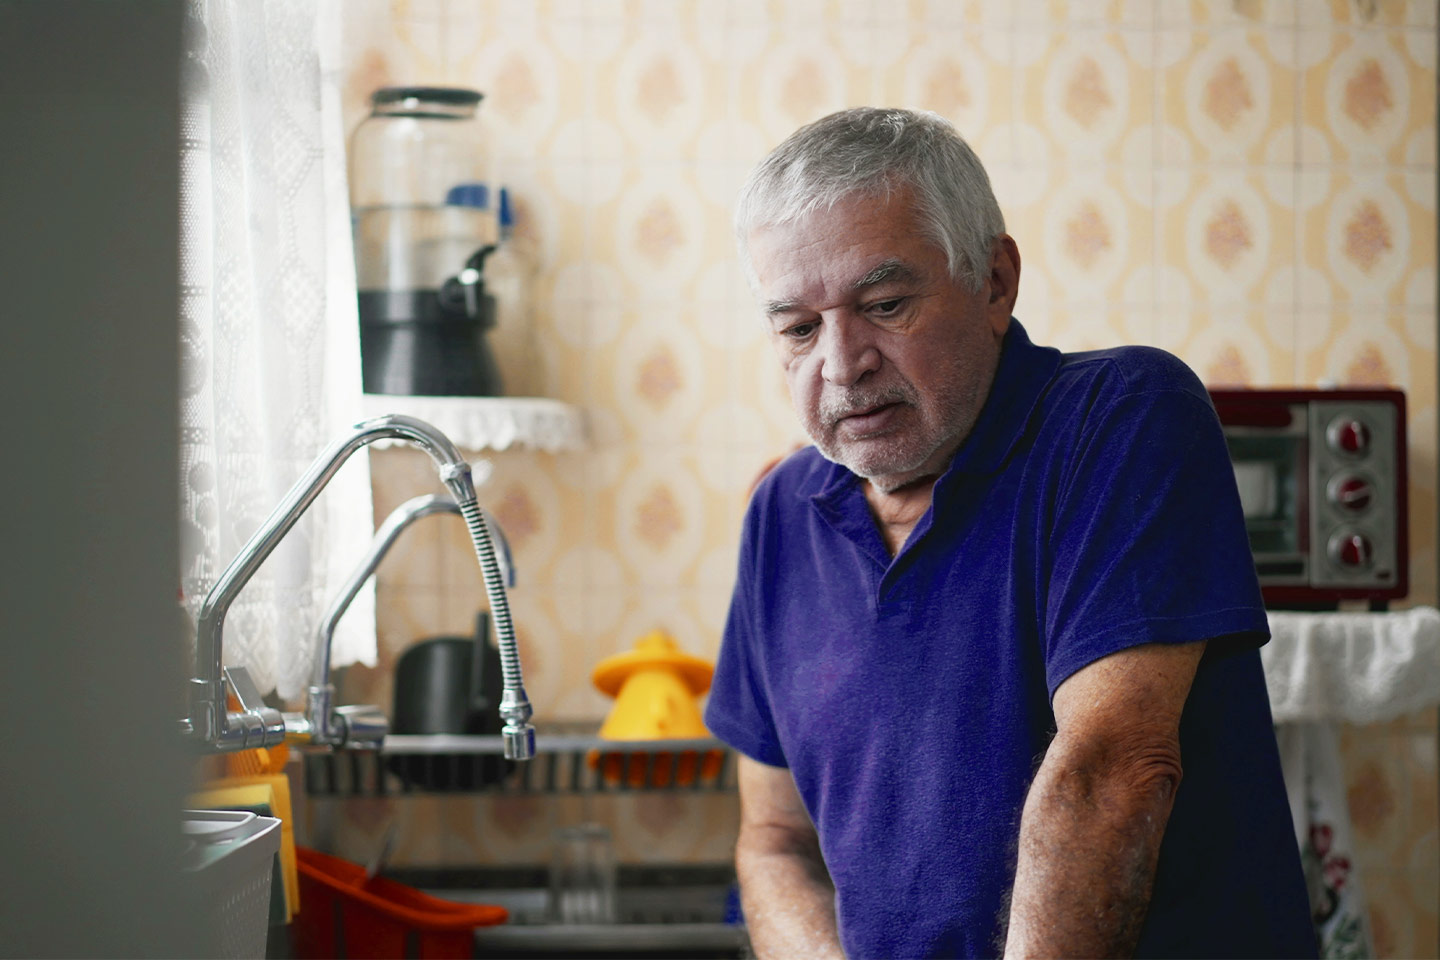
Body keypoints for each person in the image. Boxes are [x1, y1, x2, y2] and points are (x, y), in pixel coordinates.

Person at [703, 107, 1317, 959]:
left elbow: (1113, 769)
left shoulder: (1123, 418)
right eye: (799, 329)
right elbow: (774, 840)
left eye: (884, 304)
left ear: (995, 282)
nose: (842, 364)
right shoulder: (780, 515)